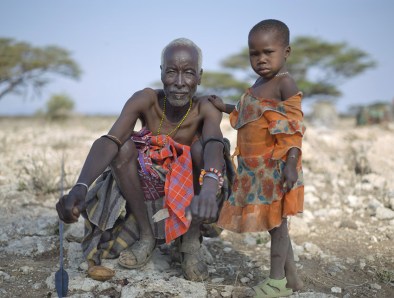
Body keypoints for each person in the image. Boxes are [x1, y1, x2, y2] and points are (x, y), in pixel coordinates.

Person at [56, 38, 231, 281]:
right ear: (161, 73)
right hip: (147, 181)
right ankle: (146, 236)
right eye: (172, 72)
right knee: (124, 147)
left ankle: (190, 244)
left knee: (203, 149)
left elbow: (214, 143)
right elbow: (111, 140)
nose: (179, 82)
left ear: (199, 77)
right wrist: (81, 186)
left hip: (193, 184)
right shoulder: (145, 100)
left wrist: (211, 189)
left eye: (188, 73)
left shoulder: (205, 107)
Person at [208, 19, 305, 297]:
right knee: (276, 226)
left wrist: (290, 165)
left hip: (276, 168)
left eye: (268, 52)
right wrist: (223, 107)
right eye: (254, 53)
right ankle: (293, 280)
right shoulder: (259, 82)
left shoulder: (284, 83)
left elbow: (293, 129)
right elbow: (247, 112)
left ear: (286, 52)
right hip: (254, 170)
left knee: (277, 225)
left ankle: (276, 284)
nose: (261, 59)